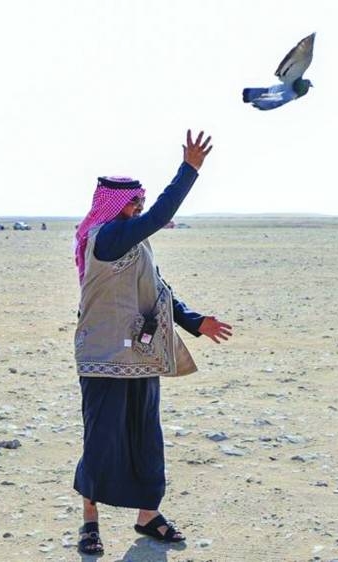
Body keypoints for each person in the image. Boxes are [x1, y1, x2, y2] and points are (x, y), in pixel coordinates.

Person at [72, 130, 233, 555]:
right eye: (133, 203)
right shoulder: (104, 238)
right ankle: (90, 520)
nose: (139, 209)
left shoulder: (136, 243)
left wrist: (196, 322)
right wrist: (189, 171)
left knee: (146, 438)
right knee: (101, 439)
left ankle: (148, 515)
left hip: (140, 355)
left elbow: (159, 292)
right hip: (103, 356)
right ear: (111, 205)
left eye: (140, 203)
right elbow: (160, 216)